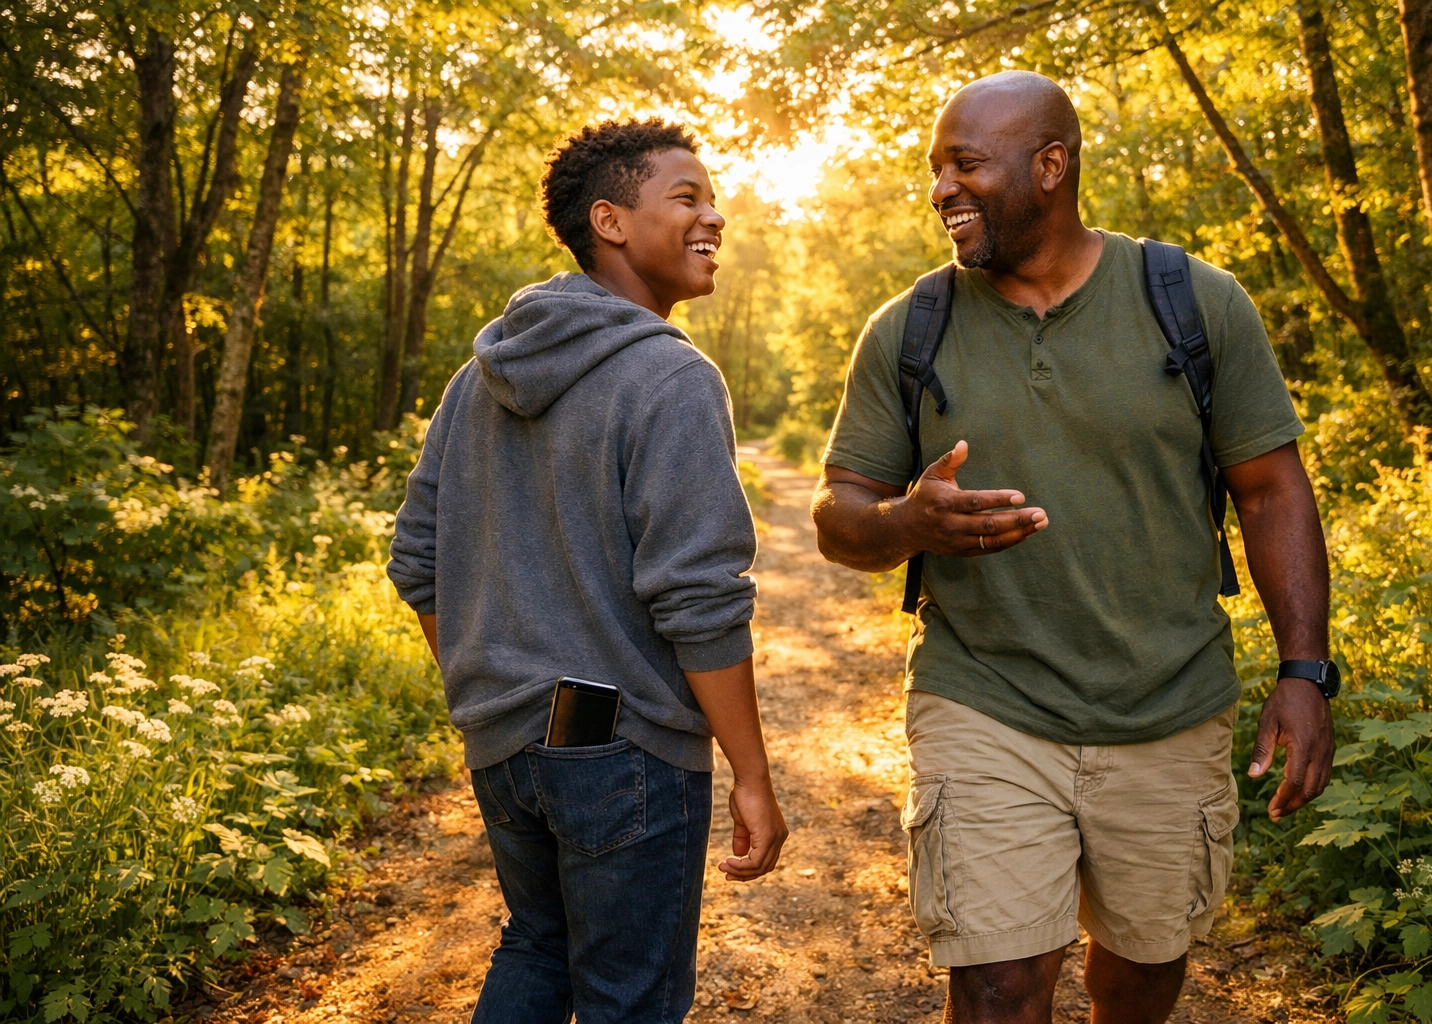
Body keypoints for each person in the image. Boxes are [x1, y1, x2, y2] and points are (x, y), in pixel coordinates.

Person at [811, 73, 1336, 1024]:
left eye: (965, 165)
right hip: (984, 699)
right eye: (936, 169)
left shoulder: (1195, 304)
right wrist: (904, 525)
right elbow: (838, 511)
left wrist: (1305, 671)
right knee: (998, 985)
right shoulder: (909, 329)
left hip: (1170, 702)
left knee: (1140, 977)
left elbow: (1270, 493)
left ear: (1051, 166)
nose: (940, 190)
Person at [387, 118, 789, 1024]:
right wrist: (752, 774)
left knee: (538, 949)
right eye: (686, 197)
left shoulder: (476, 377)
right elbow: (699, 600)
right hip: (625, 751)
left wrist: (493, 687)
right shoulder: (671, 378)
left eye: (712, 198)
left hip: (504, 745)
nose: (713, 216)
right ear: (610, 221)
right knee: (628, 1000)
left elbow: (418, 560)